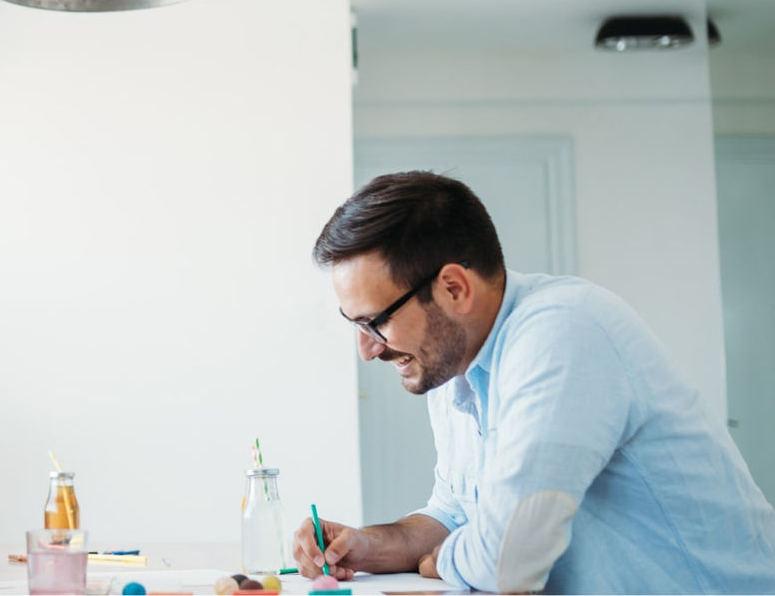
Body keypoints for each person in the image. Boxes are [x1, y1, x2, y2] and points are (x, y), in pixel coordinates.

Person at [292, 170, 775, 594]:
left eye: (376, 322)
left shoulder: (563, 332)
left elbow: (509, 558)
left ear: (454, 289)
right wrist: (365, 545)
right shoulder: (453, 369)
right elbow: (455, 515)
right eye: (354, 324)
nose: (367, 349)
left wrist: (444, 560)